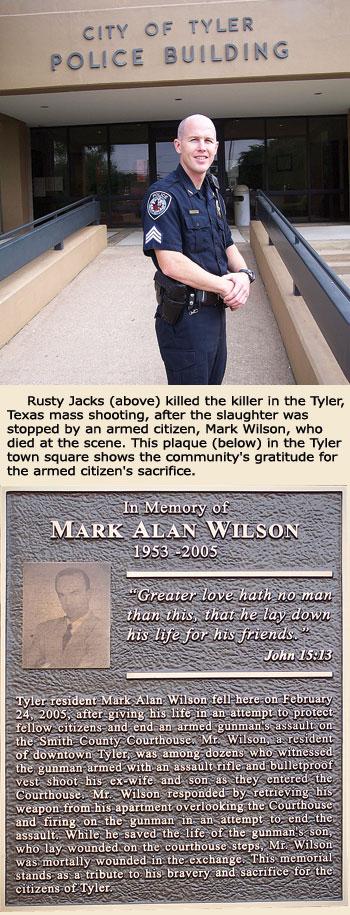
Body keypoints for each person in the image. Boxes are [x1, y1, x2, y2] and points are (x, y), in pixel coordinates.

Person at [142, 113, 255, 384]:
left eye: (208, 140)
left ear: (216, 148)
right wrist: (225, 287)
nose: (202, 147)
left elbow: (226, 242)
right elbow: (171, 262)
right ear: (178, 145)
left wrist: (244, 275)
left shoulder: (213, 191)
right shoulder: (163, 196)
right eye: (194, 140)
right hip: (185, 320)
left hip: (215, 315)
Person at [24, 568, 110, 669]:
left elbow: (86, 676)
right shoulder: (44, 629)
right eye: (62, 595)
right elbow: (26, 669)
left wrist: (45, 665)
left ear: (88, 594)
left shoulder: (104, 631)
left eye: (74, 593)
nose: (68, 602)